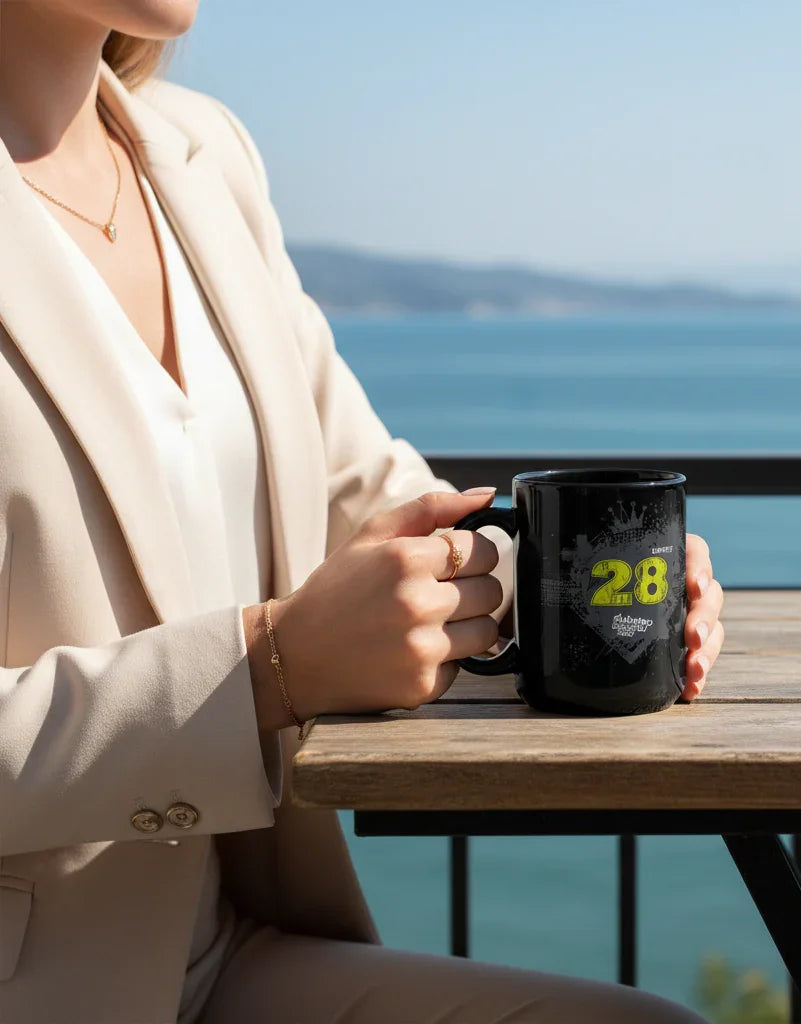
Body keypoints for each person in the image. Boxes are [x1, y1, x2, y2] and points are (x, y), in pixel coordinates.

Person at [0, 1, 727, 1022]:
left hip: (221, 953)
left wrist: (584, 582)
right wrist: (265, 668)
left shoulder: (203, 153)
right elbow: (283, 648)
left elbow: (363, 489)